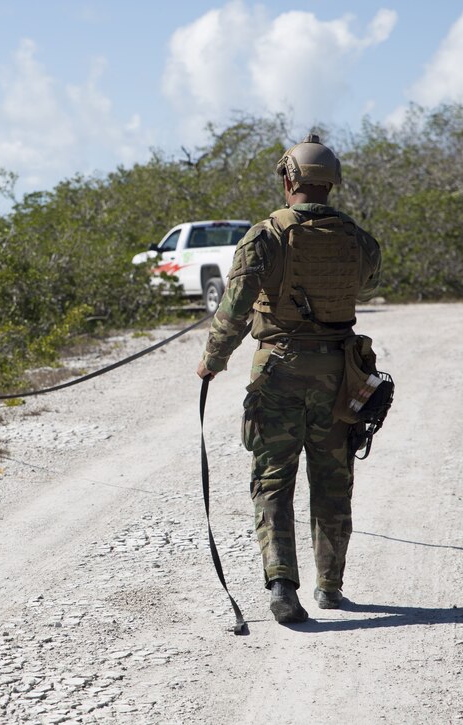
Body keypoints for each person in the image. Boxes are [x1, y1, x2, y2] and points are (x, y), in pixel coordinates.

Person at [195, 134, 381, 624]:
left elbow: (234, 308)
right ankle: (331, 586)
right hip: (340, 374)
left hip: (278, 370)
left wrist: (213, 359)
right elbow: (370, 278)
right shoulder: (357, 237)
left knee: (274, 480)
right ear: (330, 185)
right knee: (333, 477)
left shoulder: (267, 235)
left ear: (289, 179)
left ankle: (282, 587)